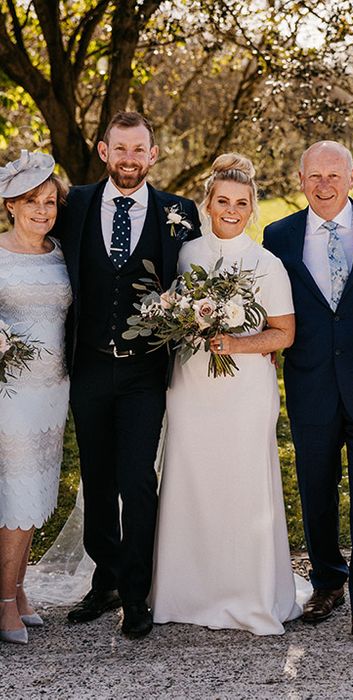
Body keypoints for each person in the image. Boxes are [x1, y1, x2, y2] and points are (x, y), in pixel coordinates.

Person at [151, 153, 310, 633]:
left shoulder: (267, 262)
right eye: (223, 201)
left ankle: (248, 593)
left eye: (242, 202)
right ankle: (184, 594)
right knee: (191, 480)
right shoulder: (186, 255)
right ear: (208, 203)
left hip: (244, 393)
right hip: (191, 386)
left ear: (252, 206)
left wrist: (235, 343)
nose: (232, 210)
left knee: (241, 484)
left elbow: (284, 333)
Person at [57, 111, 201, 638]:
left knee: (138, 479)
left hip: (145, 372)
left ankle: (137, 593)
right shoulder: (72, 205)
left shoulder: (179, 213)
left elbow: (199, 282)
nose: (129, 160)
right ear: (103, 151)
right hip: (89, 365)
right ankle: (106, 579)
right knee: (97, 477)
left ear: (153, 154)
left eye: (139, 150)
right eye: (120, 149)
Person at [263, 141, 353, 655]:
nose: (324, 185)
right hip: (311, 385)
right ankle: (327, 582)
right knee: (316, 491)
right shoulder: (277, 235)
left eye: (334, 175)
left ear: (352, 178)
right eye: (314, 176)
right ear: (300, 179)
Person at [0, 151, 71, 645]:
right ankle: (3, 601)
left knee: (38, 492)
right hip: (11, 395)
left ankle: (20, 589)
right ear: (9, 205)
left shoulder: (61, 253)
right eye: (31, 201)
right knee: (16, 497)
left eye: (50, 201)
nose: (42, 210)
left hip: (55, 390)